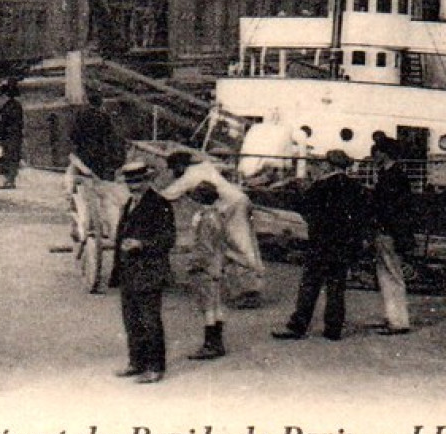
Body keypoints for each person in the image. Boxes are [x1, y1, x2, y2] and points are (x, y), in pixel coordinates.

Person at [273, 150, 370, 342]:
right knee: (336, 286)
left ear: (329, 165)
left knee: (310, 284)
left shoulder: (320, 186)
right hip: (343, 245)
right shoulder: (356, 187)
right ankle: (333, 329)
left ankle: (298, 326)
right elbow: (362, 217)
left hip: (320, 243)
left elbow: (303, 206)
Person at [158, 148, 266, 308]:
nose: (175, 173)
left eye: (175, 169)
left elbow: (168, 194)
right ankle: (247, 288)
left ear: (180, 166)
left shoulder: (191, 175)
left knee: (237, 247)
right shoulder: (204, 167)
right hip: (238, 202)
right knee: (243, 245)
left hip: (231, 207)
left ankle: (248, 291)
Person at [110, 160, 176, 383]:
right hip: (129, 272)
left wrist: (142, 244)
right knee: (131, 320)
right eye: (130, 182)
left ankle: (155, 367)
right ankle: (136, 362)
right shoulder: (129, 203)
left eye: (138, 182)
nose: (134, 186)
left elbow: (168, 239)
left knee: (150, 321)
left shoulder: (160, 204)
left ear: (148, 181)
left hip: (149, 272)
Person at [68, 94, 127, 256]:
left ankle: (85, 218)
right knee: (103, 188)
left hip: (84, 156)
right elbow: (110, 137)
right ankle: (107, 223)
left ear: (88, 101)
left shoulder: (80, 115)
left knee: (81, 186)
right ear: (101, 102)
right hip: (100, 158)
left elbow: (73, 135)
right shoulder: (104, 117)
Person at [369, 132, 416, 336]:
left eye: (377, 152)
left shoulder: (392, 176)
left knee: (392, 275)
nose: (374, 156)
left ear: (385, 154)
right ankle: (392, 317)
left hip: (389, 232)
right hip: (388, 230)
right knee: (386, 275)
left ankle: (398, 321)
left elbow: (392, 207)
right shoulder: (393, 174)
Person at [185, 182, 229, 361]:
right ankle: (217, 342)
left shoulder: (204, 219)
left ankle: (209, 344)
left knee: (207, 307)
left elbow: (203, 247)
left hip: (206, 266)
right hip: (218, 264)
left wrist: (193, 264)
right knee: (216, 304)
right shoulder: (218, 216)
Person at [0, 82, 25, 190]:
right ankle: (11, 179)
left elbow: (3, 122)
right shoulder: (17, 105)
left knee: (8, 156)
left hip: (8, 135)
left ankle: (9, 179)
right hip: (16, 134)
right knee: (13, 156)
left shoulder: (7, 107)